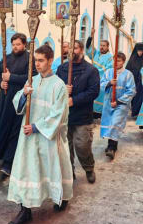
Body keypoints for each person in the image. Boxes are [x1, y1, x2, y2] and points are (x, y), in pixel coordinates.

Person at [7, 45, 73, 224]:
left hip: (47, 136)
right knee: (26, 170)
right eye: (35, 60)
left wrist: (36, 127)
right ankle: (25, 210)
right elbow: (17, 104)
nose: (37, 64)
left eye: (41, 60)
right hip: (28, 136)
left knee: (52, 168)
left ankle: (60, 197)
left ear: (51, 61)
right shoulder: (31, 81)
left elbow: (58, 114)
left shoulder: (58, 85)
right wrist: (23, 95)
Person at [0, 33, 36, 176]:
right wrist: (1, 83)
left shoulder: (30, 59)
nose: (15, 47)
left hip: (21, 98)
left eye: (18, 44)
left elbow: (32, 78)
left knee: (16, 129)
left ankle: (8, 162)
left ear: (24, 44)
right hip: (5, 97)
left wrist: (11, 77)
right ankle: (0, 153)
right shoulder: (6, 58)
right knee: (2, 126)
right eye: (13, 44)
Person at [57, 40, 99, 183]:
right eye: (69, 48)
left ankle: (88, 168)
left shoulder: (91, 70)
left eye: (74, 48)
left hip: (82, 115)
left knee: (82, 145)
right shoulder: (62, 69)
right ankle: (69, 171)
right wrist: (63, 89)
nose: (71, 51)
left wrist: (74, 99)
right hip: (65, 115)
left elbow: (93, 91)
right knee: (65, 147)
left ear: (81, 50)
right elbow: (55, 87)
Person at [100, 52, 136, 160]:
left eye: (119, 61)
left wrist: (119, 101)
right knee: (109, 123)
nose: (116, 63)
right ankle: (110, 144)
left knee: (115, 123)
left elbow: (132, 91)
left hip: (121, 104)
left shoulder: (128, 74)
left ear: (123, 62)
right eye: (115, 61)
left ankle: (112, 148)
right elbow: (101, 84)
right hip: (108, 103)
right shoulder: (108, 72)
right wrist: (109, 83)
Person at [86, 28, 113, 118]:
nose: (101, 47)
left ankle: (99, 113)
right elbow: (88, 49)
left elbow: (108, 70)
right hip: (92, 79)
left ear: (108, 47)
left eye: (104, 45)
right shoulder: (96, 53)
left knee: (99, 96)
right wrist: (91, 35)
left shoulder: (110, 57)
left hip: (101, 80)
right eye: (101, 45)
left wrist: (94, 71)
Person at [126, 43, 143, 117]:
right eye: (138, 51)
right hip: (133, 80)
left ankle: (140, 112)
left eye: (141, 51)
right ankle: (134, 111)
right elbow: (128, 69)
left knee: (141, 97)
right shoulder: (132, 58)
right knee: (134, 96)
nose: (140, 53)